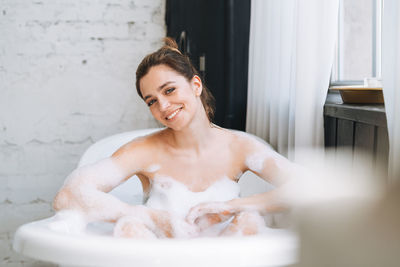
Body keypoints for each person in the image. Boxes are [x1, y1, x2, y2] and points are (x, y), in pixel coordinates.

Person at [53, 37, 295, 238]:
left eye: (169, 90)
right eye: (152, 101)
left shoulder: (239, 148)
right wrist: (151, 217)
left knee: (248, 220)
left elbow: (310, 188)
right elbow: (68, 195)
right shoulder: (144, 151)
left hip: (221, 258)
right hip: (161, 258)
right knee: (131, 228)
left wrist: (231, 207)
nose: (164, 106)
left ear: (196, 85)